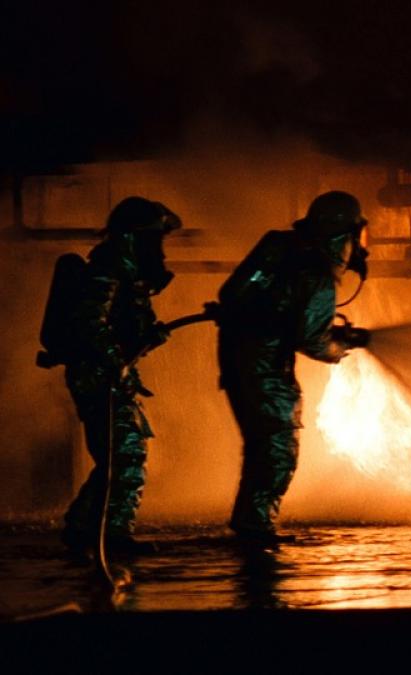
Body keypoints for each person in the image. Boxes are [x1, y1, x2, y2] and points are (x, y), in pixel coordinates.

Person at [217, 191, 370, 546]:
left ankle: (250, 524)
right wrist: (341, 346)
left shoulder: (278, 247)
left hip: (237, 358)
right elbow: (312, 340)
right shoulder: (318, 274)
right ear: (344, 234)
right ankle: (255, 530)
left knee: (262, 443)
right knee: (277, 447)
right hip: (267, 367)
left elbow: (236, 295)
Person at [61, 196, 181, 555]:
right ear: (132, 236)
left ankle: (83, 527)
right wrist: (116, 362)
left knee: (117, 455)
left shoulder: (126, 274)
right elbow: (89, 323)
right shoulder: (108, 269)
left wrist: (148, 337)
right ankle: (111, 536)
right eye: (153, 237)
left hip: (107, 373)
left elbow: (122, 329)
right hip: (97, 375)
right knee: (125, 454)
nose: (158, 247)